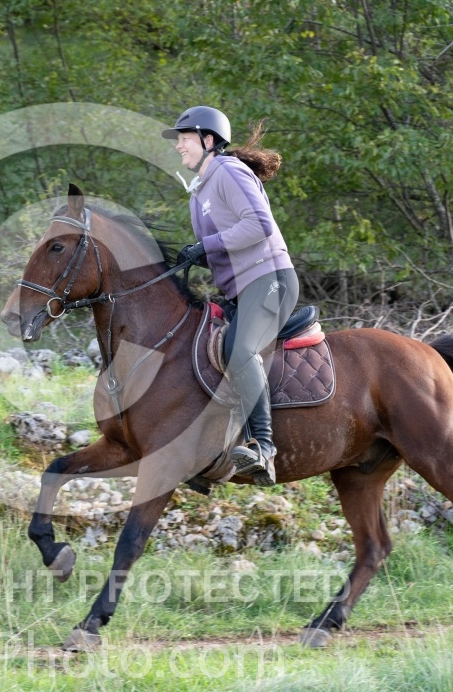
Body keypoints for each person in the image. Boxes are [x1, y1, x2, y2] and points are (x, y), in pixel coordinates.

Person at [162, 106, 299, 486]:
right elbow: (224, 245)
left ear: (208, 140)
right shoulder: (198, 192)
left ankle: (264, 448)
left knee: (240, 350)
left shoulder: (228, 170)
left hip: (269, 279)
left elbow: (259, 224)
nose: (178, 146)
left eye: (184, 139)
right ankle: (210, 454)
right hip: (239, 290)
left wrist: (206, 245)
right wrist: (197, 256)